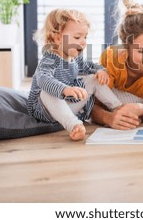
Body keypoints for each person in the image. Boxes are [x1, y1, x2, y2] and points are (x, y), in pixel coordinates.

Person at [27, 8, 133, 141]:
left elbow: (91, 66)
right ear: (58, 38)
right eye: (77, 37)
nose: (83, 42)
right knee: (46, 91)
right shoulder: (50, 59)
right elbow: (43, 79)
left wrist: (100, 71)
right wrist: (65, 89)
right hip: (44, 110)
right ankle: (74, 125)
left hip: (66, 107)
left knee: (92, 79)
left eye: (85, 37)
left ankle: (118, 107)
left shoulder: (75, 58)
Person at [90, 0, 143, 130]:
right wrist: (108, 118)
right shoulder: (111, 58)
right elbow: (94, 104)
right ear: (126, 49)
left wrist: (139, 108)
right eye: (142, 50)